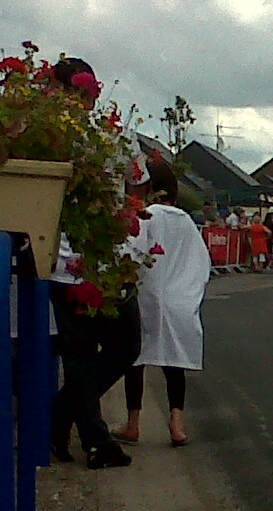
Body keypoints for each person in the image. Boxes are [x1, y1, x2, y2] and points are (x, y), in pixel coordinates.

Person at [50, 57, 141, 469]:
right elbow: (138, 176)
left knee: (87, 352)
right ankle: (92, 439)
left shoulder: (47, 132)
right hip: (92, 257)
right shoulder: (110, 134)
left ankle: (65, 416)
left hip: (71, 259)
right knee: (118, 345)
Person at [113, 161, 211, 447]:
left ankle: (133, 423)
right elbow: (202, 263)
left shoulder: (145, 216)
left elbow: (130, 253)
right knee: (174, 363)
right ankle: (177, 423)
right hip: (178, 299)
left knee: (136, 359)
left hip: (147, 294)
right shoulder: (186, 222)